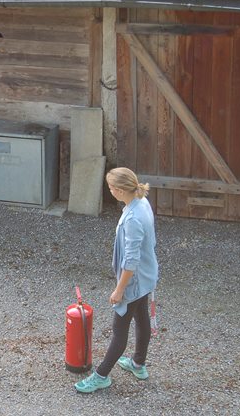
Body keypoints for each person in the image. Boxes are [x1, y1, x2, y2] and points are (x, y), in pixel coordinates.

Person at [75, 167, 159, 393]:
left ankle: (101, 376)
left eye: (111, 187)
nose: (109, 190)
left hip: (134, 281)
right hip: (147, 276)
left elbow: (131, 260)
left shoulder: (132, 217)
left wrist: (119, 290)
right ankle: (138, 364)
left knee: (119, 329)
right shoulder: (141, 202)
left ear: (120, 190)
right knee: (142, 320)